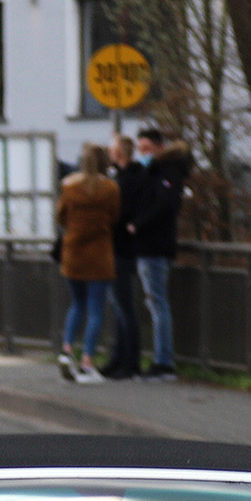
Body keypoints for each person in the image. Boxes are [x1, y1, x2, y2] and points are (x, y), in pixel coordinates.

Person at [126, 129, 192, 379]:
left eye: (146, 149)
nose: (143, 154)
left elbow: (163, 205)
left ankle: (164, 362)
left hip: (153, 245)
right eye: (140, 149)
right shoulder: (156, 171)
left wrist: (138, 224)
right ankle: (161, 361)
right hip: (149, 244)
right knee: (155, 302)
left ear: (158, 147)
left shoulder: (167, 172)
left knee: (157, 304)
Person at [54, 143, 120, 383]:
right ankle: (87, 362)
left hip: (73, 253)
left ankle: (67, 349)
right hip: (99, 254)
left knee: (77, 305)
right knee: (95, 310)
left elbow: (60, 216)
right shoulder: (110, 189)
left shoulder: (70, 188)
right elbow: (115, 216)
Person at [101, 134, 147, 379]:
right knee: (118, 306)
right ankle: (119, 358)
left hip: (122, 248)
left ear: (120, 153)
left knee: (124, 307)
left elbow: (121, 212)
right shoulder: (125, 177)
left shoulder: (127, 180)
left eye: (112, 149)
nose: (109, 153)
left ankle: (129, 362)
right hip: (118, 247)